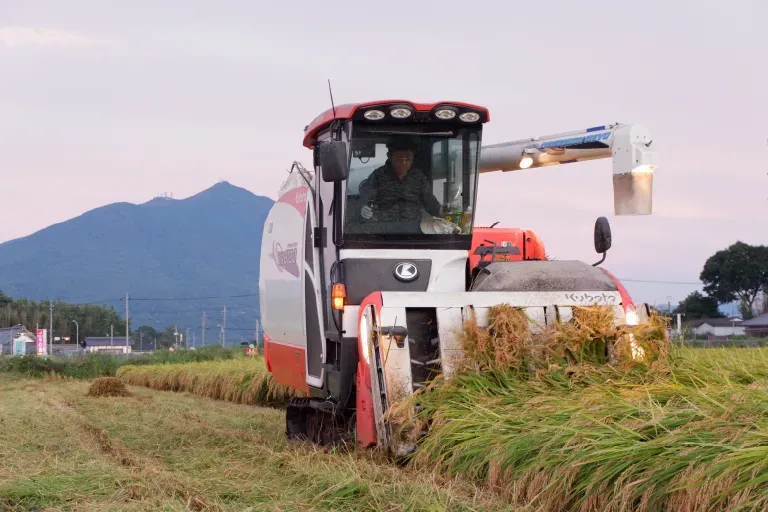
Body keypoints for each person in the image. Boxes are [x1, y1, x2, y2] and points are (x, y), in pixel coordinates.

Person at [359, 138, 443, 225]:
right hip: (384, 228)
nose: (404, 162)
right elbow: (365, 198)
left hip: (413, 227)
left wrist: (443, 212)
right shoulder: (377, 175)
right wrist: (362, 209)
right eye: (399, 158)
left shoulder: (418, 177)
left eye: (408, 158)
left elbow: (430, 202)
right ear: (389, 156)